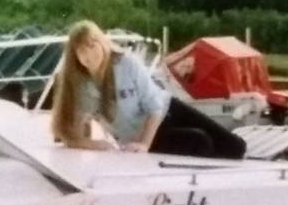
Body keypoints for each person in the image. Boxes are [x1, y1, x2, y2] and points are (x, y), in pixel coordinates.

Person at [50, 21, 214, 156]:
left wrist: (145, 145)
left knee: (237, 148)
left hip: (166, 110)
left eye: (92, 46)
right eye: (81, 50)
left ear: (102, 44)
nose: (88, 54)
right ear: (74, 56)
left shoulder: (125, 63)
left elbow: (155, 107)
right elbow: (70, 134)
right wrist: (97, 145)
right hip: (138, 138)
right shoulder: (81, 86)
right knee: (201, 141)